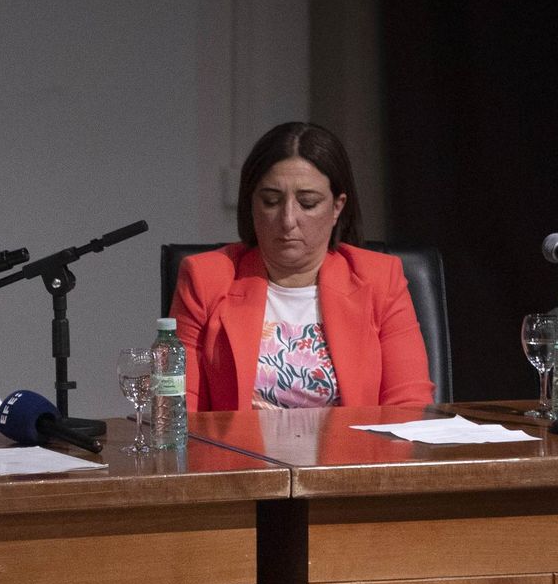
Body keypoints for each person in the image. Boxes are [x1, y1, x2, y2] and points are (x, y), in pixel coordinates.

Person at [170, 122, 433, 411]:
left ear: (337, 207)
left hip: (352, 454)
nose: (288, 220)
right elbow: (179, 411)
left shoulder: (381, 279)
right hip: (239, 455)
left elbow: (408, 407)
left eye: (307, 203)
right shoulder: (205, 278)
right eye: (271, 201)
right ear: (251, 203)